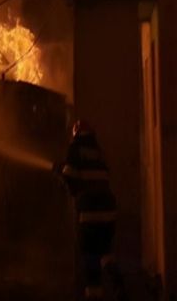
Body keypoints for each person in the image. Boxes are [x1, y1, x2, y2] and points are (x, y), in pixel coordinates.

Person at [56, 120, 122, 300]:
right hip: (108, 211)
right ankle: (116, 280)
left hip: (89, 212)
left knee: (90, 257)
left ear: (75, 134)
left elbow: (70, 178)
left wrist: (60, 171)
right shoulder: (99, 152)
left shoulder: (75, 149)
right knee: (105, 250)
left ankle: (94, 295)